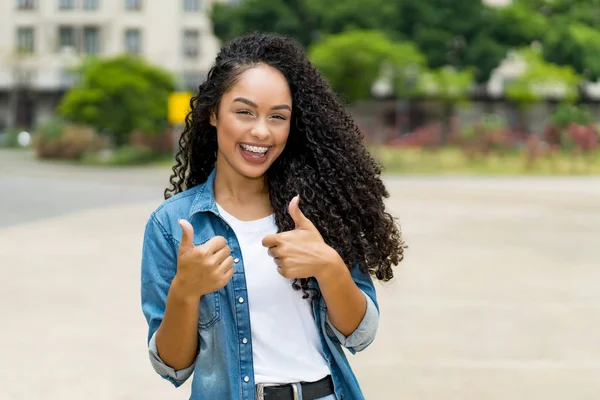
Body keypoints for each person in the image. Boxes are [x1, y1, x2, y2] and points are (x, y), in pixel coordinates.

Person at [141, 32, 406, 400]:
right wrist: (184, 292)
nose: (261, 132)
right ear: (213, 112)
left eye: (277, 117)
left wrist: (328, 265)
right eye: (244, 112)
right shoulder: (172, 225)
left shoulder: (318, 211)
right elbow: (172, 366)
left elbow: (360, 334)